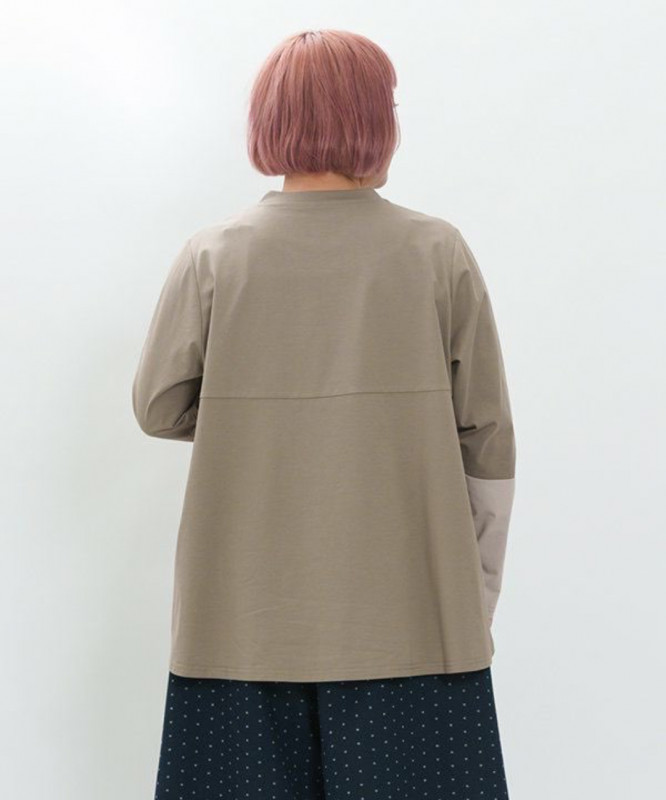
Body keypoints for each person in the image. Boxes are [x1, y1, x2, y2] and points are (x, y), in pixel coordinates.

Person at [132, 28, 517, 800]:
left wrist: (257, 420)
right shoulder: (435, 252)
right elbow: (488, 440)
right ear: (373, 119)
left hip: (237, 626)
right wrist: (474, 590)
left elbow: (156, 406)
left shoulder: (214, 256)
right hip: (416, 623)